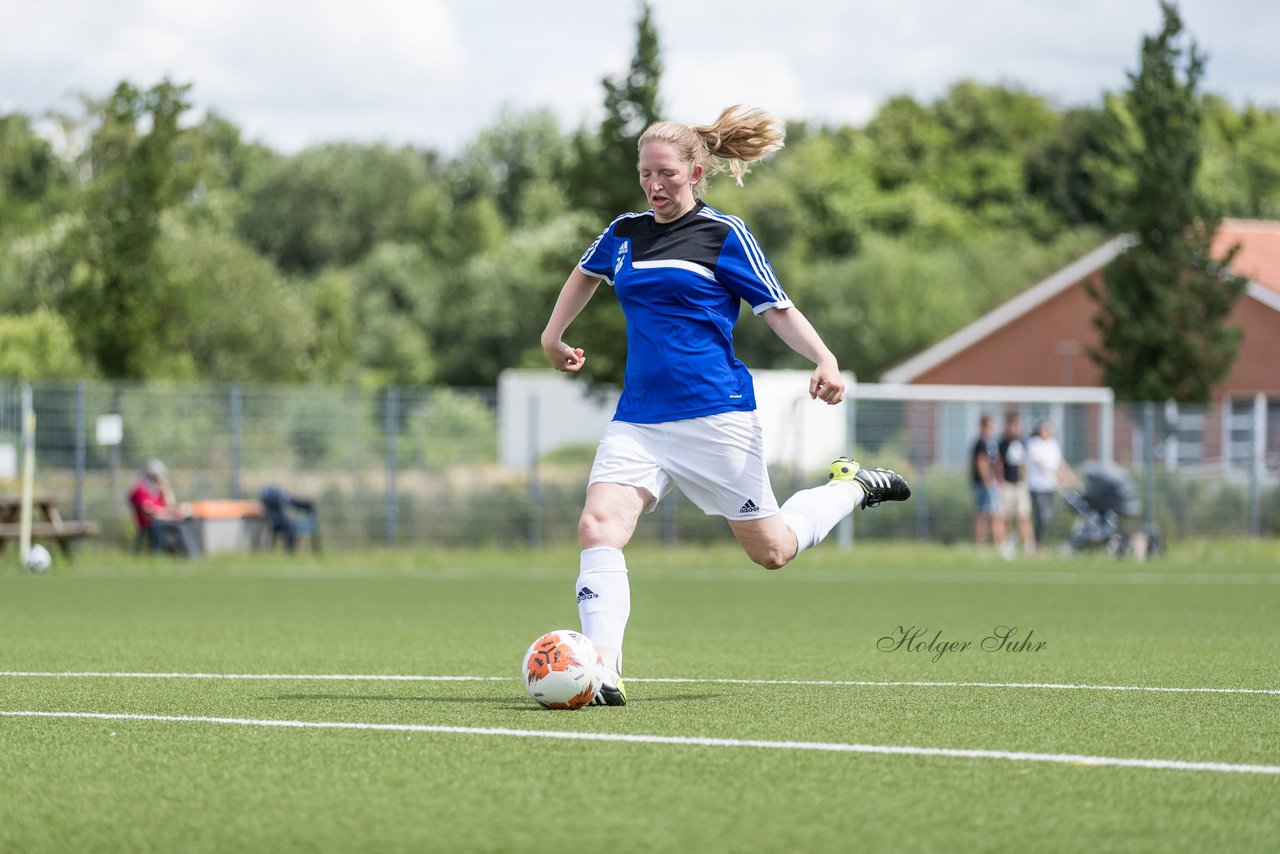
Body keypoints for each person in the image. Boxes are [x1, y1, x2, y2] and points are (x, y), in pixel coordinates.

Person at [541, 105, 910, 706]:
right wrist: (553, 336)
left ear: (695, 172)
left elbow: (777, 308)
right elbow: (585, 274)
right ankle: (602, 670)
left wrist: (825, 359)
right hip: (638, 419)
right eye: (645, 175)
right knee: (597, 526)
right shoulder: (625, 232)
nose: (654, 186)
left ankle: (850, 488)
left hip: (716, 417)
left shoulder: (724, 234)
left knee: (772, 552)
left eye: (666, 174)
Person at [128, 459, 199, 556]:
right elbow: (150, 512)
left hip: (162, 519)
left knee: (186, 522)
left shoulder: (157, 491)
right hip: (150, 522)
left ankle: (189, 553)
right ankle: (158, 554)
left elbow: (169, 504)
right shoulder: (140, 490)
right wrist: (172, 514)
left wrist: (165, 489)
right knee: (162, 525)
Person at [1026, 420, 1076, 548]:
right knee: (1041, 515)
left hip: (1049, 487)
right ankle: (1034, 542)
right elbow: (1041, 464)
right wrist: (1056, 477)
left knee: (1046, 516)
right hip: (1037, 486)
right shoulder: (1034, 443)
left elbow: (1060, 463)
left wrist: (1069, 478)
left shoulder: (1053, 444)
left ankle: (1038, 542)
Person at [998, 412, 1036, 555]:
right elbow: (999, 464)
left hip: (1020, 485)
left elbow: (1024, 463)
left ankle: (1029, 545)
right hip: (1007, 484)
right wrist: (1000, 482)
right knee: (1005, 516)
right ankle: (1005, 545)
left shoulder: (1023, 442)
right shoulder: (1002, 443)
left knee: (1023, 515)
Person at [971, 414, 1005, 551]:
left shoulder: (991, 443)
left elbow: (996, 462)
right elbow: (981, 462)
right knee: (983, 515)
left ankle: (998, 545)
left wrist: (999, 480)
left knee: (995, 515)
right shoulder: (981, 442)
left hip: (992, 484)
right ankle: (981, 546)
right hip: (984, 485)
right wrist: (987, 481)